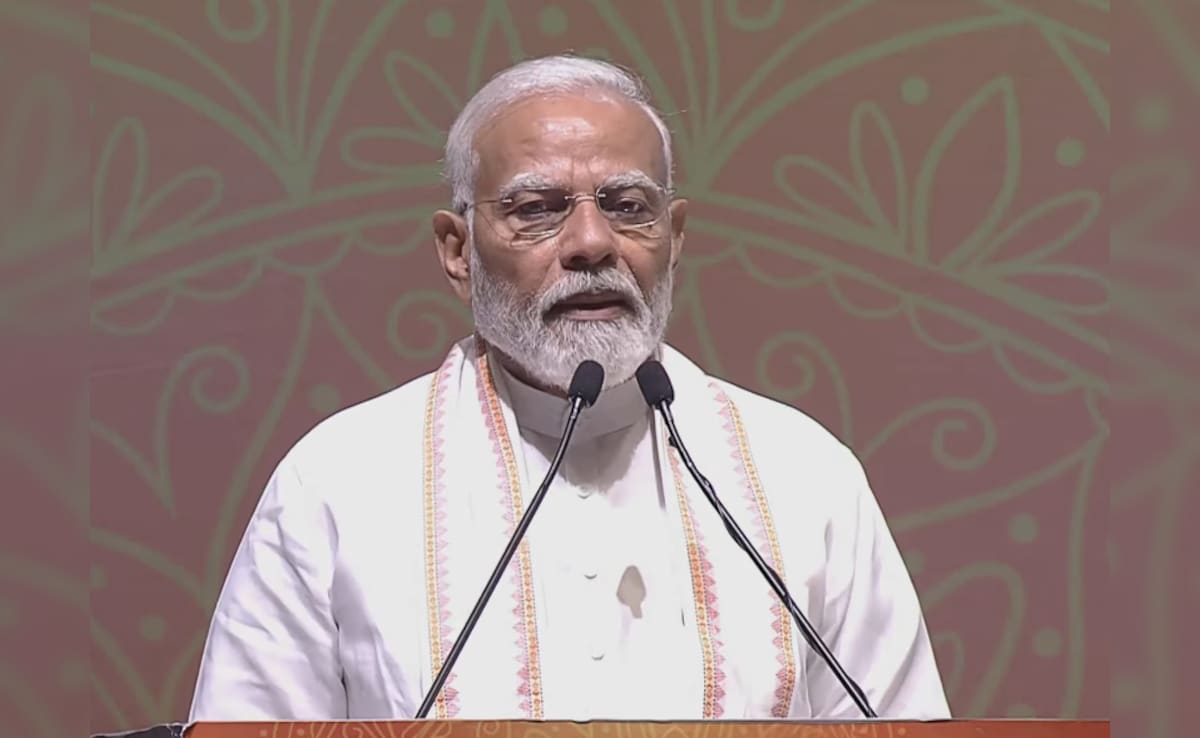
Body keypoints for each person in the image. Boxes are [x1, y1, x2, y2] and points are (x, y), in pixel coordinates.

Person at [188, 54, 950, 723]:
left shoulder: (803, 475)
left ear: (675, 238)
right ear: (457, 252)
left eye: (628, 207)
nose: (591, 243)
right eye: (537, 210)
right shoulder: (338, 481)